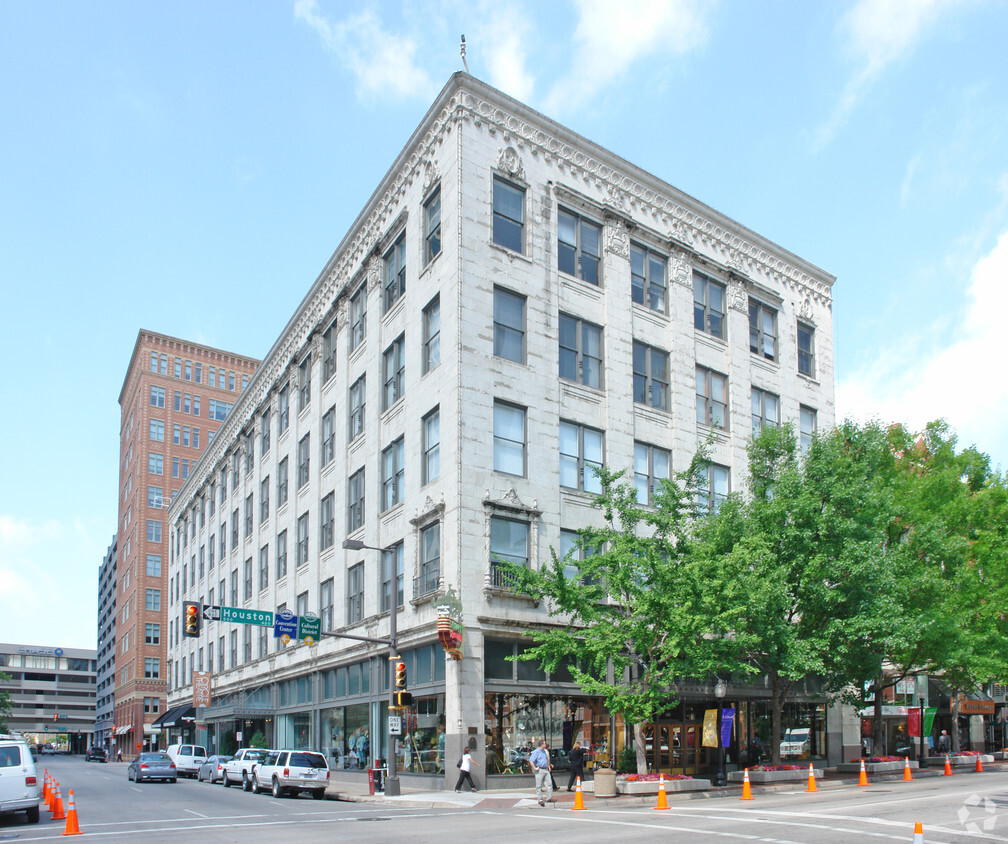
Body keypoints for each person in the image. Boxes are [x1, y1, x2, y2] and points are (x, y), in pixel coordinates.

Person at [530, 739, 553, 807]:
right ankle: (540, 799)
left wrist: (549, 766)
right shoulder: (536, 752)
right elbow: (531, 761)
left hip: (546, 769)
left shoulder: (544, 751)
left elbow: (547, 759)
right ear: (542, 744)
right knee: (539, 785)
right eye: (544, 744)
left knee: (549, 784)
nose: (546, 745)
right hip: (539, 770)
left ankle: (549, 798)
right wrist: (535, 768)